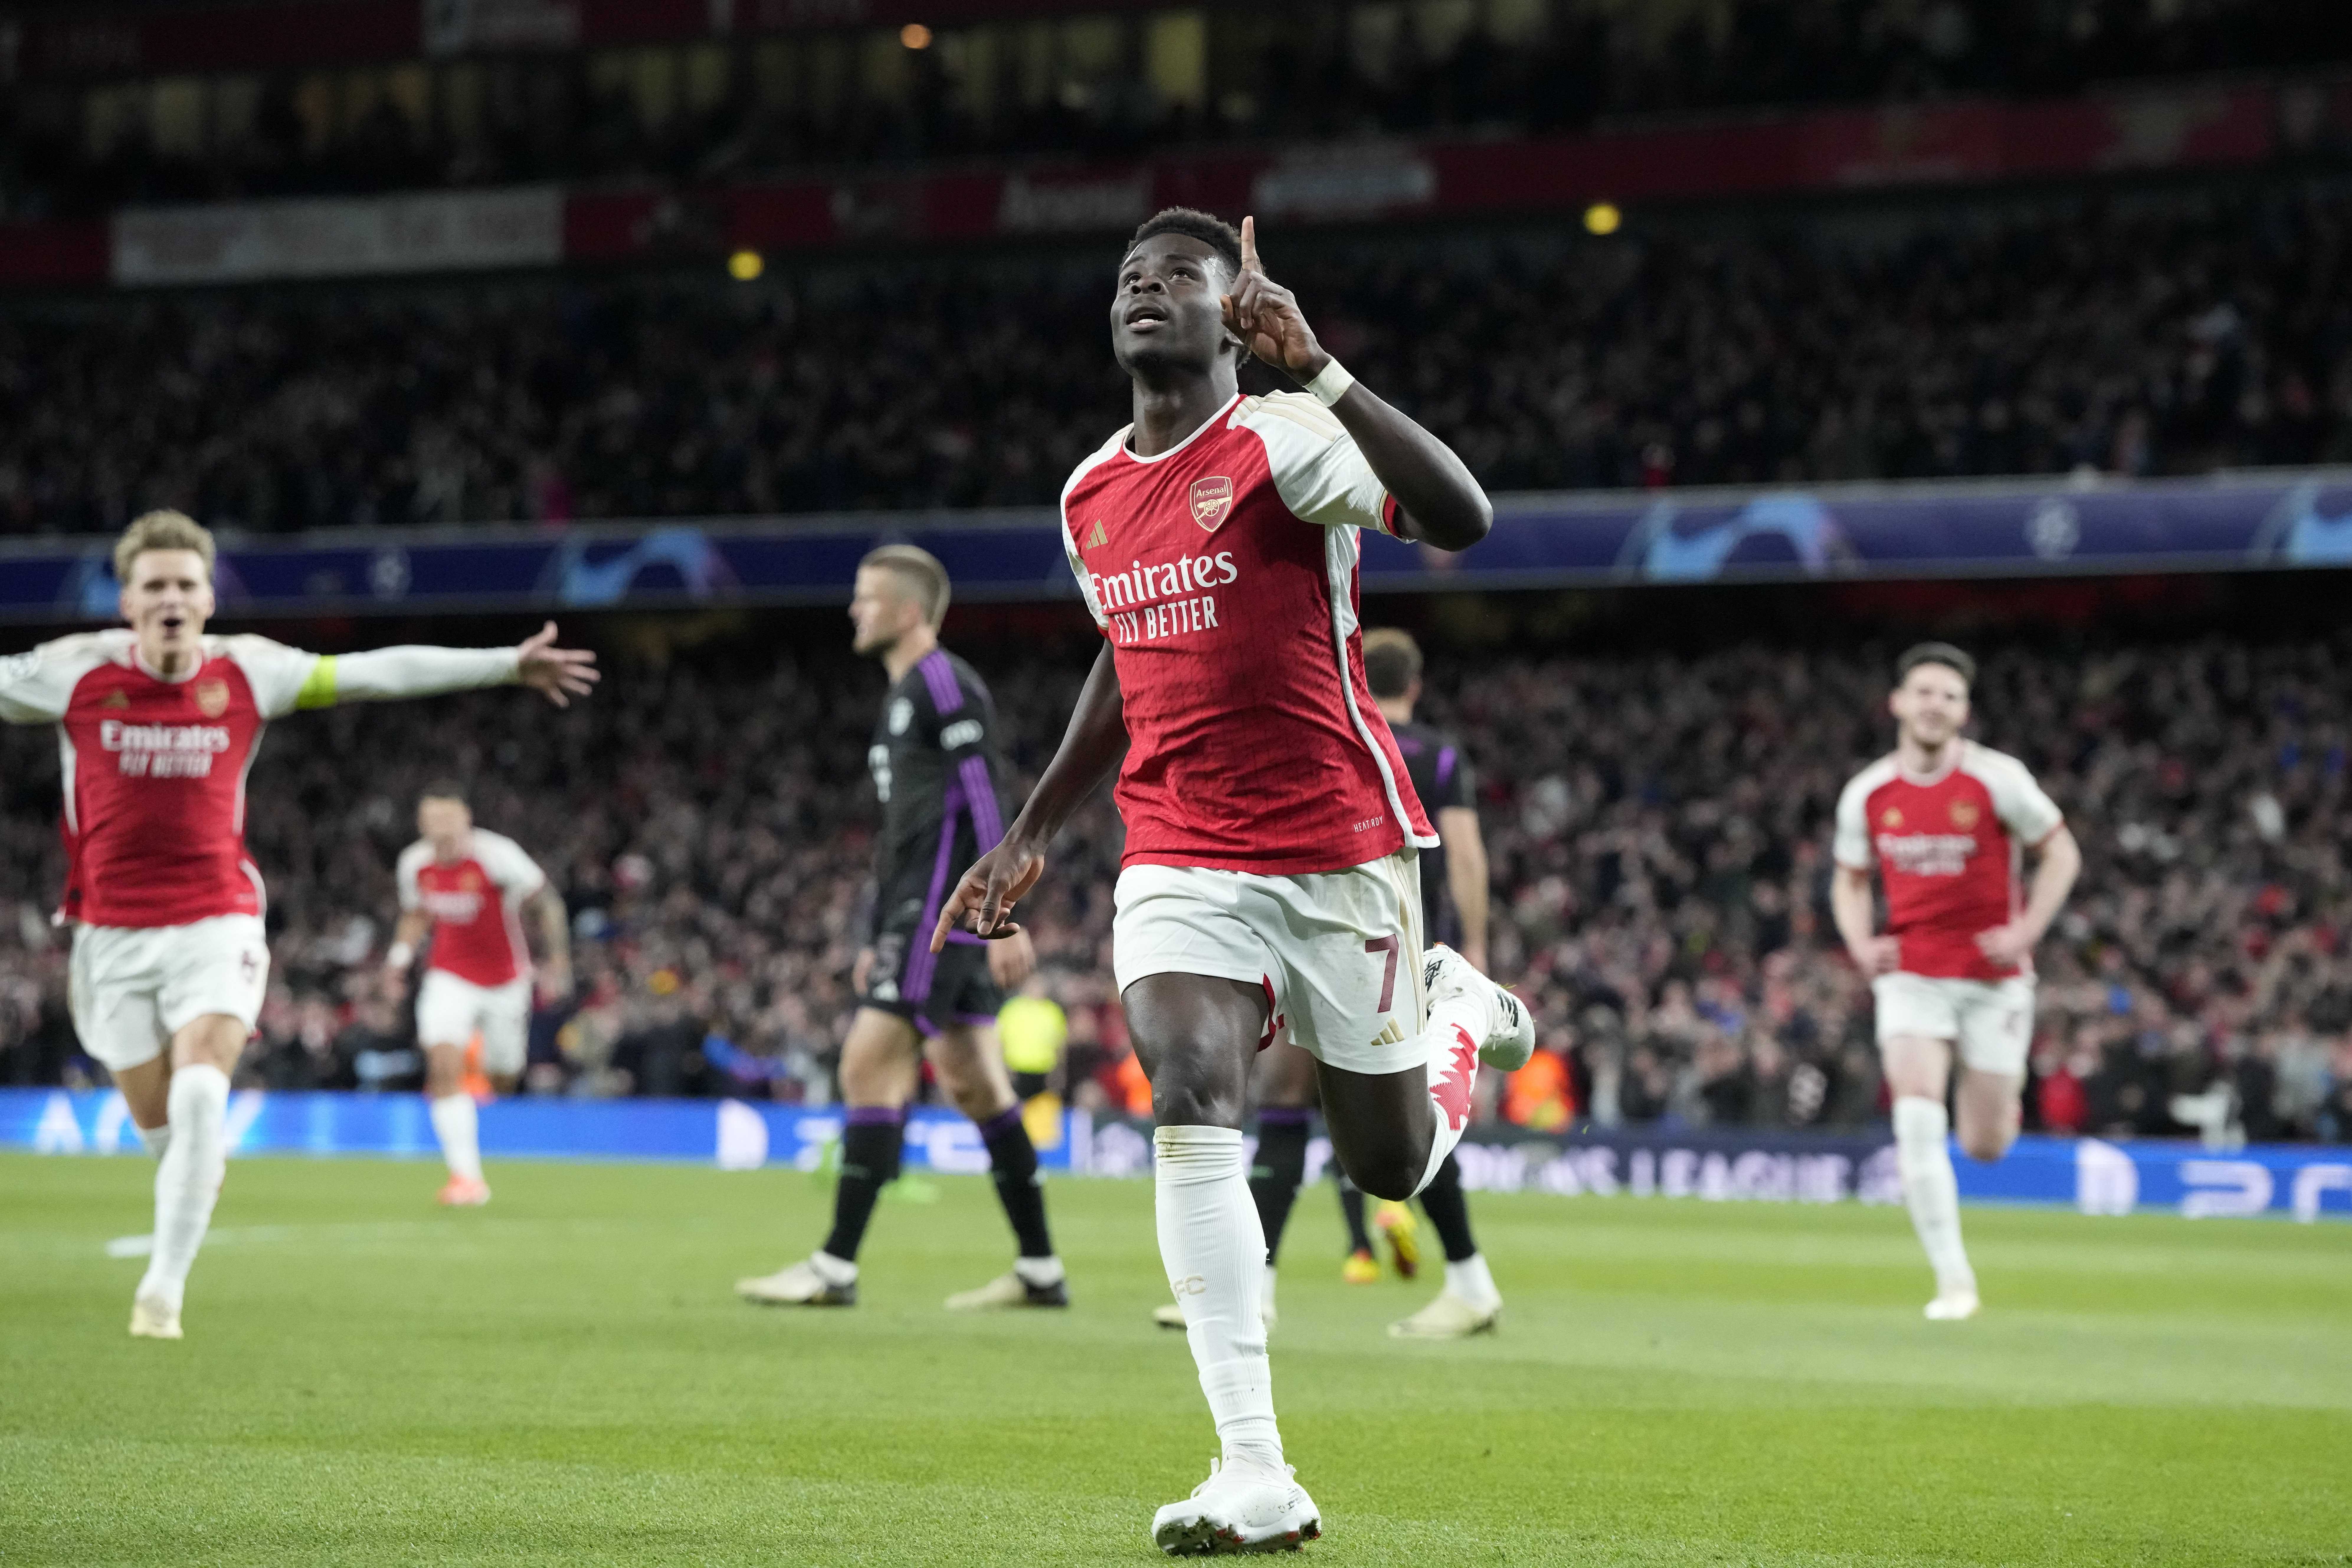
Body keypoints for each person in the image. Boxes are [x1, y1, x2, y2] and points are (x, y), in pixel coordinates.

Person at [930, 210, 1530, 1554]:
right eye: (1129, 278)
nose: (1147, 291)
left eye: (1179, 277)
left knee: (1386, 1167)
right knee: (1195, 1086)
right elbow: (1119, 655)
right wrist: (1032, 823)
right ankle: (1252, 1463)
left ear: (1228, 311)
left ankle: (1453, 1016)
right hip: (1180, 849)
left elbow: (1462, 518)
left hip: (1339, 847)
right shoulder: (1091, 492)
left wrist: (1321, 368)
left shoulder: (1282, 435)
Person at [0, 510, 596, 1340]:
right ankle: (192, 1180)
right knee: (168, 1136)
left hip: (218, 920)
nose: (171, 598)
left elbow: (375, 672)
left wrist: (503, 663)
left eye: (185, 584)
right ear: (126, 599)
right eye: (154, 585)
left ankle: (161, 1294)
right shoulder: (71, 672)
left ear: (208, 596)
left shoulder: (251, 670)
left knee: (205, 1081)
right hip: (108, 938)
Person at [735, 545, 1067, 1311]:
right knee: (975, 1082)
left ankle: (835, 1267)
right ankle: (1041, 1271)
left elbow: (989, 797)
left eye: (867, 597)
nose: (854, 609)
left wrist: (1001, 910)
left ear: (908, 611)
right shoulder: (898, 697)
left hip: (941, 911)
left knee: (865, 1063)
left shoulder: (943, 684)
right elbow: (903, 833)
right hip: (909, 909)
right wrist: (872, 931)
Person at [1152, 627, 1505, 1342]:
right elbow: (1464, 857)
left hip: (1323, 936)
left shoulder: (1338, 732)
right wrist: (1470, 949)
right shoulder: (1438, 755)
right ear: (1415, 684)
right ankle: (1467, 1283)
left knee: (1286, 1102)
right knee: (1403, 1118)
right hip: (1402, 951)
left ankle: (1261, 1291)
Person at [1831, 642, 2081, 1321]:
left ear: (1963, 711)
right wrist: (1859, 943)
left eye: (1947, 695)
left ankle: (2001, 1106)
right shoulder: (1868, 793)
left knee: (1984, 1145)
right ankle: (1953, 1280)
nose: (1934, 704)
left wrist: (2027, 931)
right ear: (1898, 703)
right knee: (1914, 1111)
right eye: (1923, 692)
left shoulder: (1998, 781)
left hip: (1994, 979)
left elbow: (2061, 851)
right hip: (1912, 973)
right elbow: (1848, 879)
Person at [381, 783, 571, 1206]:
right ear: (422, 824)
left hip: (505, 981)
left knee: (503, 1074)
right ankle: (466, 1178)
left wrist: (558, 961)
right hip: (448, 977)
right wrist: (397, 961)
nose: (441, 828)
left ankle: (483, 1064)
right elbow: (417, 914)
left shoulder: (497, 856)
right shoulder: (414, 863)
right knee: (442, 1063)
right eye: (432, 820)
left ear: (466, 819)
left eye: (448, 819)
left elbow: (549, 904)